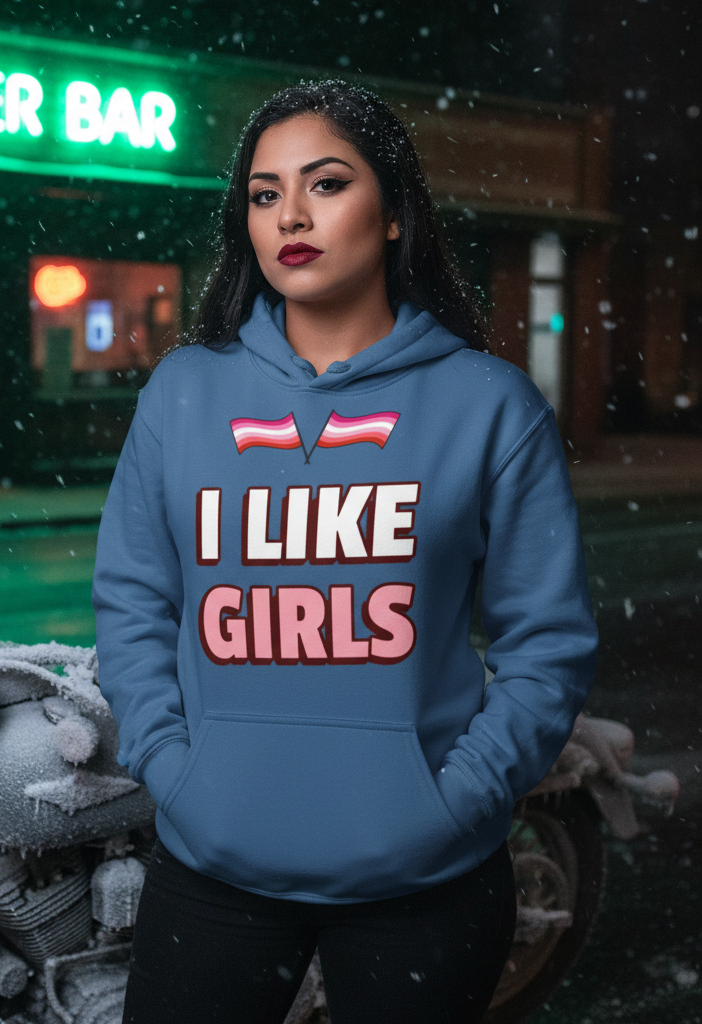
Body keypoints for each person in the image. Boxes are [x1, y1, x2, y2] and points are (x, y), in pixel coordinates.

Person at [92, 81, 597, 1024]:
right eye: (263, 192)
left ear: (395, 214)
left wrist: (457, 802)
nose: (290, 215)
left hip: (424, 883)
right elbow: (132, 601)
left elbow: (549, 642)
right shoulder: (186, 393)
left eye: (326, 184)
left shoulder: (489, 405)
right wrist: (172, 768)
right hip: (214, 868)